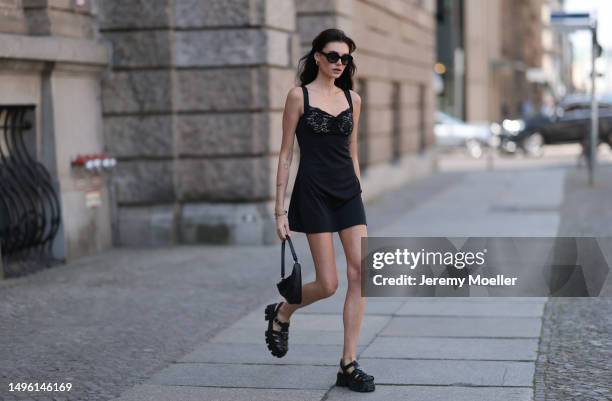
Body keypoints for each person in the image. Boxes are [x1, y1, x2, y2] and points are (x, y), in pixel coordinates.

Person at [264, 28, 374, 393]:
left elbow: (352, 151)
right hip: (312, 194)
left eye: (345, 58)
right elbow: (285, 154)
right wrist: (279, 211)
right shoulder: (299, 97)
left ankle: (348, 362)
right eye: (333, 56)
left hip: (347, 194)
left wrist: (359, 197)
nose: (339, 63)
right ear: (317, 57)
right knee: (328, 284)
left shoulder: (352, 99)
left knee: (361, 273)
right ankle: (283, 312)